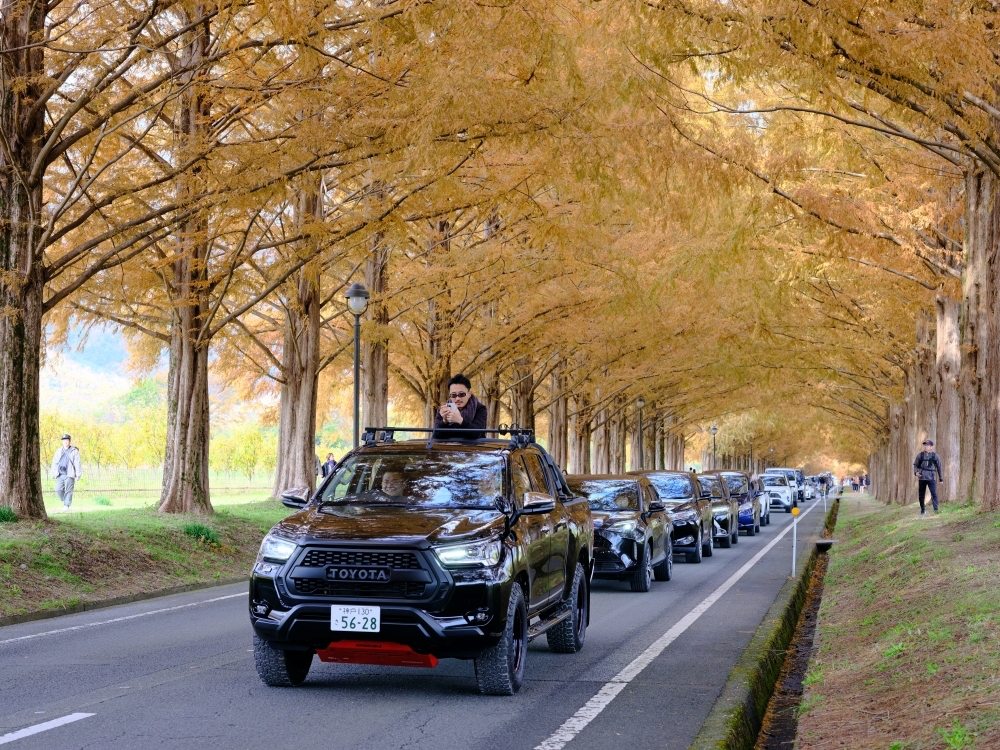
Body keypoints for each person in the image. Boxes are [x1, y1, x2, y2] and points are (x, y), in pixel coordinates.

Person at [433, 374, 488, 439]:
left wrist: (460, 420)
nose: (457, 398)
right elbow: (435, 436)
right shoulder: (443, 410)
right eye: (453, 395)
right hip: (447, 447)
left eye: (461, 394)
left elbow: (477, 434)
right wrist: (444, 421)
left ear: (469, 394)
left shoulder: (480, 409)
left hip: (472, 448)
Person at [50, 434, 82, 513]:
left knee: (68, 490)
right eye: (64, 440)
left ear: (69, 441)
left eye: (67, 440)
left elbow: (77, 463)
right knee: (58, 489)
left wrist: (78, 474)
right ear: (62, 441)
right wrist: (53, 473)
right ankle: (65, 500)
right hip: (60, 474)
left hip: (69, 474)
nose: (65, 442)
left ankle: (66, 505)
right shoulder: (59, 451)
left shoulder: (74, 451)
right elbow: (55, 462)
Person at [913, 439, 943, 515]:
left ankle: (936, 510)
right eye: (925, 445)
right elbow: (916, 465)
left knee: (934, 493)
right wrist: (916, 472)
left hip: (931, 477)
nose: (925, 446)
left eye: (927, 445)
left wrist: (941, 478)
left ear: (931, 447)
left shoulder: (935, 456)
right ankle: (923, 510)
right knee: (921, 494)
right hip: (922, 477)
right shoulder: (920, 455)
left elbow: (939, 467)